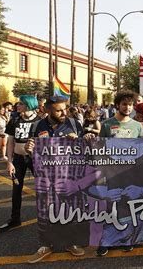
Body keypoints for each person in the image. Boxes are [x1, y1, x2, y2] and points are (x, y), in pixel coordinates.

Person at [24, 96, 93, 263]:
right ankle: (47, 245)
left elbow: (85, 147)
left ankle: (72, 242)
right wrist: (28, 149)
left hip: (70, 175)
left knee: (71, 209)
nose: (64, 113)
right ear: (47, 110)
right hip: (47, 177)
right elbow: (32, 150)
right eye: (58, 110)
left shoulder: (74, 123)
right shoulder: (37, 126)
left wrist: (84, 139)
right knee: (46, 210)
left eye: (65, 109)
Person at [95, 90, 143, 256]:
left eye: (130, 104)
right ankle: (106, 241)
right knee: (110, 208)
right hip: (111, 174)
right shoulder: (107, 124)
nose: (128, 107)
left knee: (128, 207)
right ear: (117, 105)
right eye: (124, 104)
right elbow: (100, 149)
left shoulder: (138, 126)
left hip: (130, 174)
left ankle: (126, 238)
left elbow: (142, 152)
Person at [0, 95, 40, 233]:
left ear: (28, 105)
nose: (17, 105)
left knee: (43, 189)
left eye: (21, 103)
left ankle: (46, 219)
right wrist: (9, 162)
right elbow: (10, 142)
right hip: (18, 160)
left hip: (36, 160)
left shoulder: (40, 121)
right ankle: (15, 219)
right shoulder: (15, 119)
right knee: (16, 189)